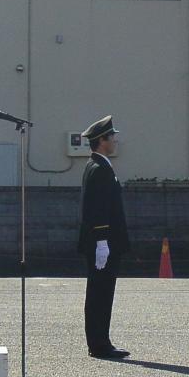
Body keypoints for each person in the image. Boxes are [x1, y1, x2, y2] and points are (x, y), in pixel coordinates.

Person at [78, 116, 130, 360]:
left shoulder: (101, 165)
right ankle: (99, 343)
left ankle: (101, 340)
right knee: (100, 292)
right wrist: (101, 241)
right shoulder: (98, 168)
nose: (114, 140)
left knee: (102, 292)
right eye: (111, 137)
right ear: (101, 140)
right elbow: (97, 208)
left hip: (106, 241)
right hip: (103, 242)